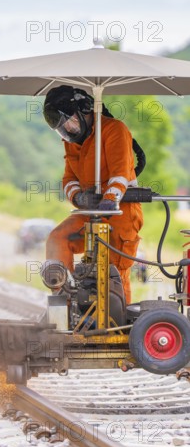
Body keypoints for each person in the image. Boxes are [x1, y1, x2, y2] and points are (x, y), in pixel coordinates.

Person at [43, 85, 143, 304]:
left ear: (86, 108)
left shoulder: (114, 130)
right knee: (57, 238)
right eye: (64, 127)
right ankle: (64, 303)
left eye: (71, 121)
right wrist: (78, 197)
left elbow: (120, 175)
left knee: (114, 272)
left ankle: (120, 326)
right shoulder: (73, 143)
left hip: (121, 211)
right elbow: (68, 180)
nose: (69, 129)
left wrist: (109, 200)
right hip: (91, 211)